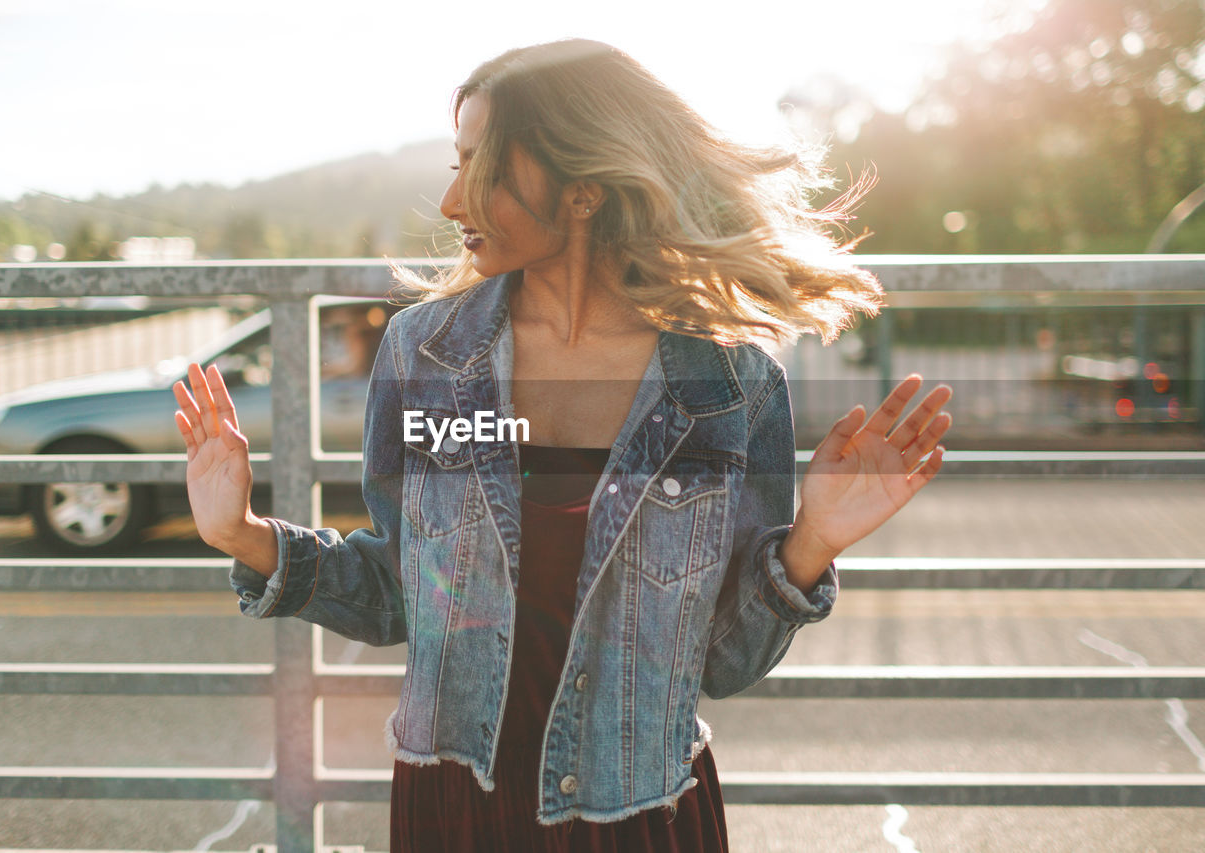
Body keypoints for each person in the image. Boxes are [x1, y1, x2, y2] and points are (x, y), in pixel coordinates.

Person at [173, 39, 953, 853]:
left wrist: (809, 543)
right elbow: (401, 591)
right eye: (454, 164)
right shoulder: (422, 356)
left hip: (640, 815)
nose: (449, 204)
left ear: (582, 192)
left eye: (479, 168)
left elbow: (719, 663)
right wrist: (245, 535)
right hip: (458, 808)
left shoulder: (727, 384)